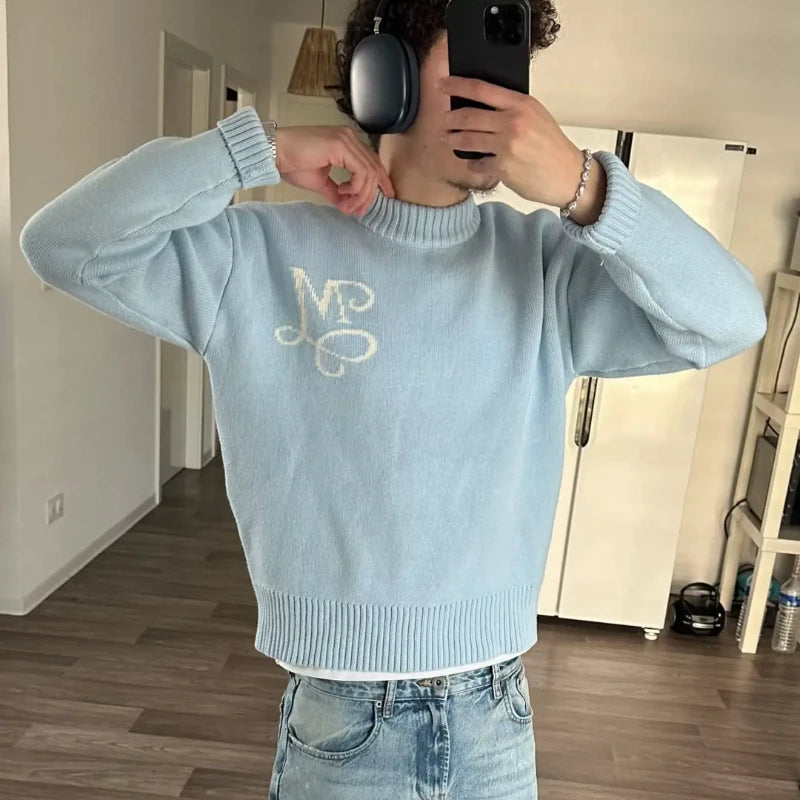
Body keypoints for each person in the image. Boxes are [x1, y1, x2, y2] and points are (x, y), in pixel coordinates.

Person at [19, 0, 766, 796]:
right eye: (468, 68)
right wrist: (255, 149)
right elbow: (62, 244)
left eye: (510, 73)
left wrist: (589, 189)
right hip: (342, 722)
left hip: (498, 717)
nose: (500, 101)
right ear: (388, 77)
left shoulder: (546, 267)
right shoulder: (256, 258)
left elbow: (731, 320)